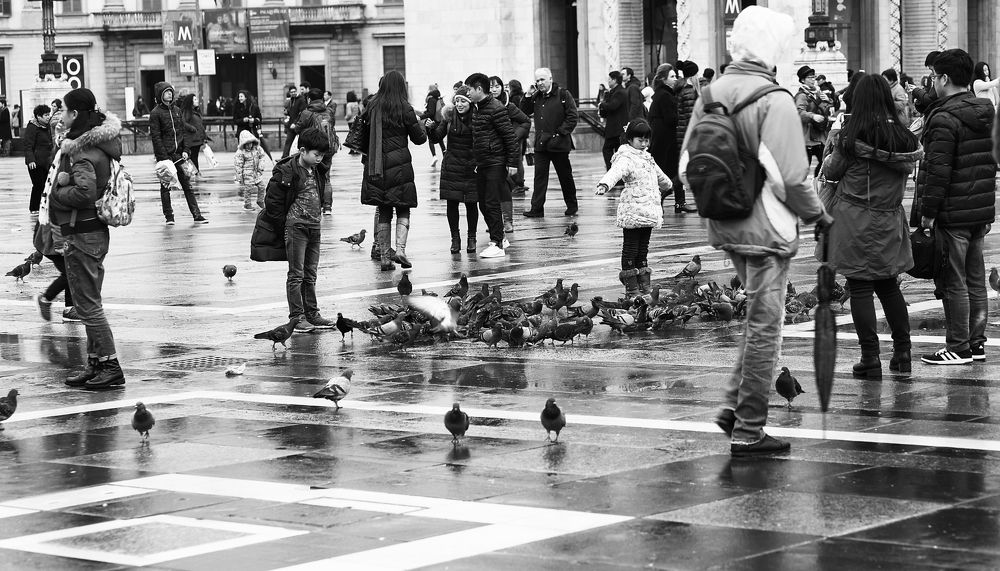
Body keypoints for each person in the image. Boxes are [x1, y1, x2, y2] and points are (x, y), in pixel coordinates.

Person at [679, 5, 832, 456]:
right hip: (766, 231)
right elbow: (791, 177)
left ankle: (734, 406)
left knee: (757, 321)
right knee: (767, 327)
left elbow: (687, 164)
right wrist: (818, 215)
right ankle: (748, 428)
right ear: (772, 50)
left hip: (724, 223)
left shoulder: (710, 93)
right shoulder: (774, 98)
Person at [821, 74, 922, 378]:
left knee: (860, 287)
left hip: (855, 218)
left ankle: (870, 357)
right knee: (889, 286)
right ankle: (903, 353)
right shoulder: (903, 137)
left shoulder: (851, 138)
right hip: (889, 218)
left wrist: (833, 143)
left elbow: (831, 171)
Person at [916, 49, 997, 365]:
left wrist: (927, 214)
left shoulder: (944, 118)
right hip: (978, 210)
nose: (933, 82)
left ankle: (958, 346)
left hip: (952, 212)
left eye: (935, 77)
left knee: (954, 280)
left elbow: (937, 171)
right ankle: (976, 343)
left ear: (944, 78)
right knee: (975, 279)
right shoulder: (986, 111)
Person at [48, 88, 125, 389]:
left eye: (66, 111)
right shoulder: (99, 145)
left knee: (88, 306)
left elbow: (84, 192)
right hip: (92, 231)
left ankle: (111, 365)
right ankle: (96, 363)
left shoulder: (81, 151)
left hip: (82, 233)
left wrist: (57, 192)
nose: (62, 116)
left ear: (76, 114)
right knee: (87, 301)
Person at [256, 127, 335, 333]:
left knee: (311, 274)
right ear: (302, 150)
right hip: (296, 227)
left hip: (314, 226)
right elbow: (271, 201)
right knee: (296, 274)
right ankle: (297, 317)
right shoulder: (287, 171)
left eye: (322, 155)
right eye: (316, 154)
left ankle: (312, 314)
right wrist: (285, 224)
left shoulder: (318, 169)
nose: (320, 159)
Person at [596, 119, 672, 298]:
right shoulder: (626, 157)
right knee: (631, 248)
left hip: (648, 211)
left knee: (643, 248)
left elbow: (659, 174)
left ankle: (644, 284)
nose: (644, 144)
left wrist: (669, 184)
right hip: (633, 210)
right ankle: (631, 287)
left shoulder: (647, 157)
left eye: (647, 140)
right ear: (630, 140)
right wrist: (605, 184)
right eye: (641, 140)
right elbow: (616, 172)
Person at [360, 70, 427, 271]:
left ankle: (384, 258)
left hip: (377, 165)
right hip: (400, 166)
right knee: (403, 206)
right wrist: (423, 127)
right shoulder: (405, 108)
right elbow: (419, 139)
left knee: (384, 210)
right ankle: (400, 249)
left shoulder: (372, 106)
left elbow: (363, 135)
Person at [466, 72, 520, 259]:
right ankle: (500, 237)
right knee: (483, 203)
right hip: (483, 162)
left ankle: (497, 243)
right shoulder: (478, 108)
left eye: (470, 89)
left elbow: (509, 137)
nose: (468, 93)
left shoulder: (496, 108)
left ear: (479, 89)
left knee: (491, 202)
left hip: (495, 161)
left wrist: (512, 163)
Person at [520, 67, 579, 218]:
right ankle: (537, 209)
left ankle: (572, 206)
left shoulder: (563, 94)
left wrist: (560, 132)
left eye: (542, 80)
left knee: (565, 176)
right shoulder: (536, 96)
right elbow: (524, 111)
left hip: (559, 144)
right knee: (539, 177)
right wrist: (527, 95)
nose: (539, 83)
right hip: (541, 144)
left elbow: (572, 116)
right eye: (537, 80)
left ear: (550, 79)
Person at [426, 86, 479, 254]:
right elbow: (436, 137)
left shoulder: (477, 117)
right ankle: (455, 239)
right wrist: (430, 128)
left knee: (471, 204)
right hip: (453, 166)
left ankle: (472, 238)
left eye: (463, 101)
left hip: (471, 166)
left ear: (470, 102)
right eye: (457, 101)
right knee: (452, 203)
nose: (460, 104)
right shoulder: (449, 117)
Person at [149, 81, 207, 225]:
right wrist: (163, 157)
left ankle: (197, 215)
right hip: (166, 157)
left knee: (187, 185)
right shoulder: (155, 113)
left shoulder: (177, 110)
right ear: (160, 95)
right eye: (166, 92)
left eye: (170, 91)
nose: (169, 93)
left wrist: (186, 150)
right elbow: (156, 137)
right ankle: (169, 217)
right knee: (165, 186)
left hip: (180, 155)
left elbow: (183, 132)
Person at [489, 75, 530, 234]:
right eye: (491, 86)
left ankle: (507, 221)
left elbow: (525, 121)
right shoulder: (482, 106)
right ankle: (495, 221)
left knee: (504, 185)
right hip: (490, 152)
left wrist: (514, 135)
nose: (494, 89)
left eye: (497, 86)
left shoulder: (509, 106)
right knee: (491, 188)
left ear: (502, 87)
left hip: (507, 152)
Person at [295, 88, 338, 214]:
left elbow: (298, 128)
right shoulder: (329, 111)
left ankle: (314, 204)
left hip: (312, 148)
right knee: (326, 177)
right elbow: (332, 126)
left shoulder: (306, 113)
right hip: (328, 148)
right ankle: (328, 206)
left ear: (309, 99)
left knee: (310, 176)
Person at [648, 64, 679, 206]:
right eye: (672, 76)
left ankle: (675, 200)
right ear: (664, 80)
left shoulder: (661, 94)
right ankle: (662, 197)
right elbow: (670, 118)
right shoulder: (666, 95)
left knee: (664, 169)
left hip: (660, 136)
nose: (675, 79)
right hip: (665, 137)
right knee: (667, 170)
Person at [794, 65, 832, 177]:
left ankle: (817, 183)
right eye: (810, 77)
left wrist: (828, 101)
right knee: (804, 169)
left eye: (813, 77)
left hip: (819, 136)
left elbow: (826, 109)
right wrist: (812, 116)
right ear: (802, 80)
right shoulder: (801, 95)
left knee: (825, 163)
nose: (813, 80)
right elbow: (799, 112)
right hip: (807, 138)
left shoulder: (817, 93)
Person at [674, 60, 701, 212]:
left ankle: (680, 201)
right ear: (693, 75)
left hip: (680, 133)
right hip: (687, 135)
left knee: (683, 166)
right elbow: (692, 117)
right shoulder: (690, 90)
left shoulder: (680, 88)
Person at [24, 104, 54, 215]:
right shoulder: (32, 127)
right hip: (35, 162)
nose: (48, 117)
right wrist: (31, 160)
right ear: (38, 116)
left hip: (46, 161)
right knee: (38, 185)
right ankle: (34, 207)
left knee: (46, 185)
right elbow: (28, 145)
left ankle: (44, 206)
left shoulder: (47, 126)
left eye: (48, 114)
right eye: (46, 115)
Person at [598, 71, 629, 172]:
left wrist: (602, 105)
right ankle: (615, 173)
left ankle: (613, 172)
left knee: (609, 150)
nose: (608, 81)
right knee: (616, 152)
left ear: (615, 80)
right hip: (614, 129)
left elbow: (613, 106)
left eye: (610, 79)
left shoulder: (620, 92)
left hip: (617, 129)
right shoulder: (613, 92)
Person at [234, 129, 270, 210]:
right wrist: (239, 175)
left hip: (256, 172)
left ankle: (260, 200)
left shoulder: (257, 149)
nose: (249, 145)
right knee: (248, 189)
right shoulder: (240, 152)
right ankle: (247, 203)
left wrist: (261, 166)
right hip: (247, 173)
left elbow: (262, 156)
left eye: (250, 143)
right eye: (247, 144)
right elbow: (238, 164)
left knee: (262, 186)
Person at [506, 79, 529, 195]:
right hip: (520, 131)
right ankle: (519, 183)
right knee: (518, 158)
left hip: (515, 130)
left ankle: (517, 183)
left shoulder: (514, 98)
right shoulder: (521, 96)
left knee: (516, 158)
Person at [178, 94, 207, 172]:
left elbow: (200, 126)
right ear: (190, 102)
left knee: (194, 157)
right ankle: (194, 174)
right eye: (195, 99)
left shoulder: (195, 111)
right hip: (191, 140)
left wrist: (204, 137)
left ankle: (195, 173)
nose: (197, 101)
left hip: (197, 139)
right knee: (192, 158)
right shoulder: (187, 112)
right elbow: (182, 122)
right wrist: (191, 128)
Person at [282, 81, 309, 158]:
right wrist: (287, 112)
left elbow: (301, 113)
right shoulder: (291, 100)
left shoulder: (301, 99)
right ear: (290, 93)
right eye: (291, 92)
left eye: (294, 91)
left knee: (302, 142)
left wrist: (295, 123)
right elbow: (291, 112)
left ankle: (303, 157)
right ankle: (284, 157)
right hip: (291, 124)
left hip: (299, 124)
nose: (293, 93)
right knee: (288, 141)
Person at [420, 84, 445, 159]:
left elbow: (431, 113)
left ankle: (434, 156)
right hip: (438, 121)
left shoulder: (431, 99)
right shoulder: (438, 98)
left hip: (431, 122)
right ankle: (444, 153)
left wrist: (421, 117)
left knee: (431, 139)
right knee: (440, 139)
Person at [344, 90, 361, 155]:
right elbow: (359, 112)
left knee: (351, 135)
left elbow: (349, 114)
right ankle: (357, 149)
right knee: (356, 135)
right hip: (356, 120)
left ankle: (352, 149)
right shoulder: (356, 103)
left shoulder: (349, 104)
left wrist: (346, 118)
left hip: (351, 121)